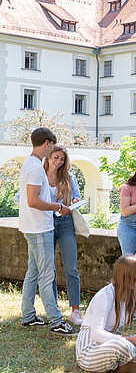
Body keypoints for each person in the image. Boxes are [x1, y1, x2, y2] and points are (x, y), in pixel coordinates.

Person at [19, 127, 76, 336]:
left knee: (33, 273)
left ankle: (28, 316)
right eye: (52, 145)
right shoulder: (35, 167)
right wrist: (57, 207)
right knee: (46, 276)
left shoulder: (29, 163)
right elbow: (33, 201)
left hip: (32, 228)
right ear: (47, 144)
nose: (53, 148)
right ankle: (56, 322)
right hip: (40, 229)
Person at [75, 255, 136, 373]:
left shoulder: (134, 294)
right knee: (124, 347)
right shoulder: (105, 296)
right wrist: (127, 340)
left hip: (115, 341)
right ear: (129, 276)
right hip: (91, 348)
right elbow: (96, 334)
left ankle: (125, 365)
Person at [44, 144, 84, 326]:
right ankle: (54, 306)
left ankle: (75, 310)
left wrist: (75, 200)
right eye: (56, 157)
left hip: (65, 223)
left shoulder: (69, 177)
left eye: (62, 159)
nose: (58, 161)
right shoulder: (40, 175)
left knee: (71, 268)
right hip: (45, 223)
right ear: (49, 156)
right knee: (49, 269)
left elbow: (76, 197)